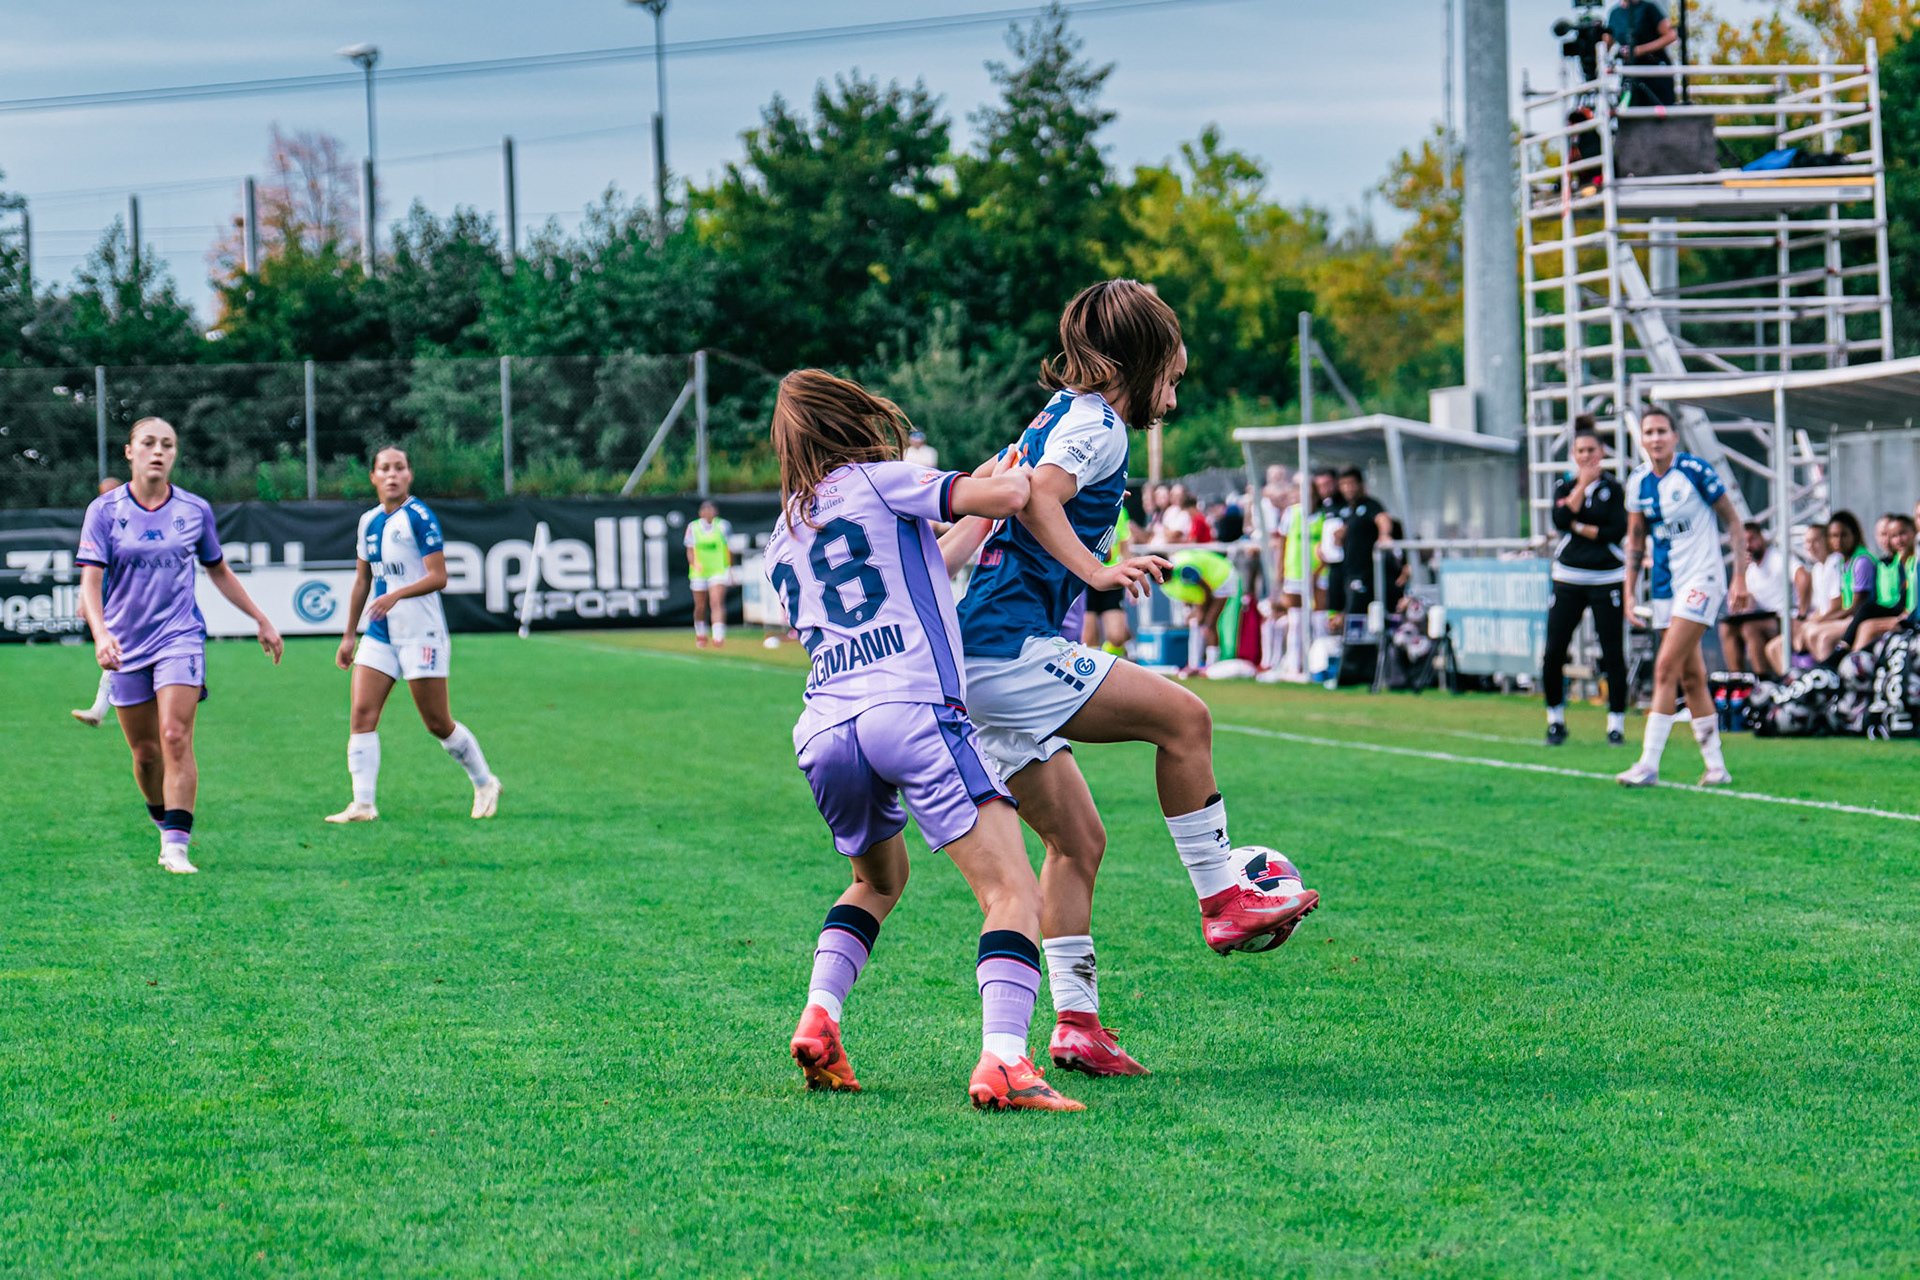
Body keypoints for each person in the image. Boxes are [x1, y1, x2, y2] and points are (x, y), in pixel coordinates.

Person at [951, 279, 1319, 1077]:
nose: (1174, 399)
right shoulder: (1099, 426)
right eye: (1172, 378)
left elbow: (1010, 501)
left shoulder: (1058, 416)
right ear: (1136, 363)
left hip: (981, 659)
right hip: (1009, 649)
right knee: (1185, 720)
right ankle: (1223, 897)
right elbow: (1038, 498)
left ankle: (1077, 1026)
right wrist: (1098, 572)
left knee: (1076, 841)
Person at [765, 368, 1081, 1113]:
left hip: (826, 727)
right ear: (854, 421)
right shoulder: (881, 480)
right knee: (1013, 891)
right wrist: (1018, 468)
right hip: (908, 708)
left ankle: (819, 1016)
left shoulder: (784, 531)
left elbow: (925, 566)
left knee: (876, 881)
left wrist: (982, 494)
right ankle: (1005, 1060)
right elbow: (1008, 497)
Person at [75, 418, 284, 874]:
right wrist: (101, 633)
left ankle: (176, 845)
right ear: (129, 451)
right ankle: (161, 820)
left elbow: (218, 569)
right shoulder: (105, 510)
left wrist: (261, 618)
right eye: (148, 443)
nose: (158, 451)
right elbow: (90, 583)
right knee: (146, 753)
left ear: (174, 454)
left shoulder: (194, 509)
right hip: (126, 645)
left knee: (174, 736)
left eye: (167, 445)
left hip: (180, 637)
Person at [325, 447, 502, 824]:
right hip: (380, 633)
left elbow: (439, 577)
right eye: (384, 468)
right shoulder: (368, 521)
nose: (392, 475)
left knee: (437, 722)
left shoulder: (420, 517)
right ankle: (363, 804)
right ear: (373, 477)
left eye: (399, 468)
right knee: (361, 714)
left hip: (421, 633)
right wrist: (348, 635)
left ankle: (485, 782)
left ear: (409, 475)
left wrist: (396, 594)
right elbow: (362, 581)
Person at [1616, 409, 1750, 788]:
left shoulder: (1694, 471)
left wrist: (1739, 576)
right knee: (1691, 677)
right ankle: (1717, 767)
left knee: (1665, 667)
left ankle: (1648, 764)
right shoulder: (1638, 482)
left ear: (1675, 436)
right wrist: (1629, 592)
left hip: (1702, 579)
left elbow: (1734, 521)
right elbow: (1635, 540)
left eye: (1662, 431)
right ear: (1642, 439)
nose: (1655, 438)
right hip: (1664, 588)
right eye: (1649, 432)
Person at [1542, 421, 1628, 746]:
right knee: (1554, 650)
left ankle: (1616, 724)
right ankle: (1555, 720)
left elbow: (1614, 531)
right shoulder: (1564, 486)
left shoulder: (1614, 489)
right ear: (1573, 454)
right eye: (1580, 451)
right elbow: (1560, 520)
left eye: (1591, 450)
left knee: (1612, 652)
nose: (1587, 456)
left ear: (1602, 452)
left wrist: (1579, 526)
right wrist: (1581, 487)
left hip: (1607, 577)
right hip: (1568, 577)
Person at [71, 475, 126, 727]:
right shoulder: (98, 520)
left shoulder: (134, 522)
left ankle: (98, 710)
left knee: (117, 654)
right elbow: (90, 570)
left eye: (113, 492)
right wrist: (83, 598)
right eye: (104, 493)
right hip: (108, 601)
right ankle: (99, 710)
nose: (109, 497)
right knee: (114, 653)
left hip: (127, 603)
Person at [1801, 511, 1881, 662]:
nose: (1838, 541)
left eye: (1843, 535)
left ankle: (1829, 672)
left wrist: (1822, 620)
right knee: (1811, 632)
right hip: (1851, 616)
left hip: (1859, 617)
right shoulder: (1844, 562)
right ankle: (1824, 670)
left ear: (1854, 535)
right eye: (1833, 536)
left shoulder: (1862, 562)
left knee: (1824, 637)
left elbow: (1856, 607)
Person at [1718, 523, 1789, 680]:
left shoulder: (1777, 558)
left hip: (1783, 618)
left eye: (1752, 539)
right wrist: (1740, 573)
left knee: (1750, 628)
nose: (1749, 546)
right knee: (1727, 628)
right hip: (1764, 616)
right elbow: (1735, 605)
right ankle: (1737, 679)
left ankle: (1763, 680)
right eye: (1745, 542)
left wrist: (1801, 613)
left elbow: (1802, 576)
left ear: (1762, 538)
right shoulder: (1750, 570)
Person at [1331, 466, 1393, 624]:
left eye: (1351, 484)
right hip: (1346, 572)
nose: (1348, 488)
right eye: (1344, 484)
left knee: (1357, 614)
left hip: (1365, 574)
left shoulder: (1370, 505)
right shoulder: (1343, 509)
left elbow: (1382, 519)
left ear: (1360, 484)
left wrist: (1384, 535)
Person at [1079, 507, 1134, 658]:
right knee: (1088, 637)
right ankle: (1095, 666)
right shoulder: (1083, 505)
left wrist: (1130, 577)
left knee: (1117, 636)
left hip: (1112, 576)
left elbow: (1123, 546)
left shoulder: (1120, 510)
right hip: (1086, 576)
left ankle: (1110, 663)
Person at [1603, 0, 1678, 107]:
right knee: (1628, 110)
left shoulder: (1648, 8)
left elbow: (1671, 36)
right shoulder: (1615, 14)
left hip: (1654, 72)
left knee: (1657, 111)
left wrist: (1639, 50)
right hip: (1630, 74)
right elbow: (1606, 43)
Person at [685, 500, 733, 648]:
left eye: (710, 509)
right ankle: (701, 632)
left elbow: (728, 548)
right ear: (700, 512)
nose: (708, 513)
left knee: (716, 602)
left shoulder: (723, 526)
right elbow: (690, 549)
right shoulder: (693, 527)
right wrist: (694, 564)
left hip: (718, 569)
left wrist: (730, 569)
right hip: (699, 571)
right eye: (705, 510)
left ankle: (718, 636)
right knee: (700, 606)